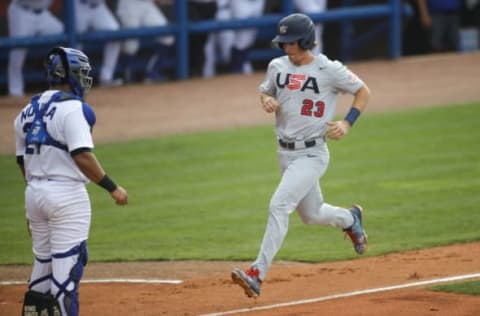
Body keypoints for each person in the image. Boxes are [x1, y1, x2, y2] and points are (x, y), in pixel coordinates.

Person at [231, 13, 370, 298]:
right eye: (282, 42)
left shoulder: (328, 69)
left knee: (279, 206)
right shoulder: (276, 66)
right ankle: (350, 219)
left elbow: (363, 92)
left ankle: (257, 273)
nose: (285, 47)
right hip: (284, 153)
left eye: (290, 42)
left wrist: (346, 122)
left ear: (305, 41)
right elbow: (264, 91)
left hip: (312, 154)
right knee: (312, 215)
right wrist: (266, 99)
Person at [14, 46, 128, 316]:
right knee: (67, 272)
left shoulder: (26, 111)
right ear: (72, 74)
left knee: (42, 265)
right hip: (66, 196)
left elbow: (22, 162)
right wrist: (113, 188)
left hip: (34, 192)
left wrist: (35, 197)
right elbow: (82, 155)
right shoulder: (74, 108)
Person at [7, 0, 64, 97]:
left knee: (62, 33)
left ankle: (60, 83)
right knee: (18, 52)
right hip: (22, 13)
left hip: (43, 14)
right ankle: (15, 92)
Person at [116, 0, 175, 83]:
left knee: (167, 37)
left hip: (146, 4)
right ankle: (128, 77)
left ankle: (151, 73)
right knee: (131, 44)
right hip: (129, 4)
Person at [74, 0, 123, 86]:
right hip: (79, 7)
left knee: (115, 34)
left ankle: (106, 77)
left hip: (99, 8)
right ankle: (75, 79)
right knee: (76, 40)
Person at [229, 0, 266, 74]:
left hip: (257, 2)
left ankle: (244, 62)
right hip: (241, 2)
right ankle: (237, 67)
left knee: (251, 35)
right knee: (242, 36)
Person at [202, 0, 235, 78]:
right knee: (207, 53)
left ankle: (240, 79)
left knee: (230, 52)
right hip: (204, 12)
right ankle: (206, 83)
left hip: (225, 11)